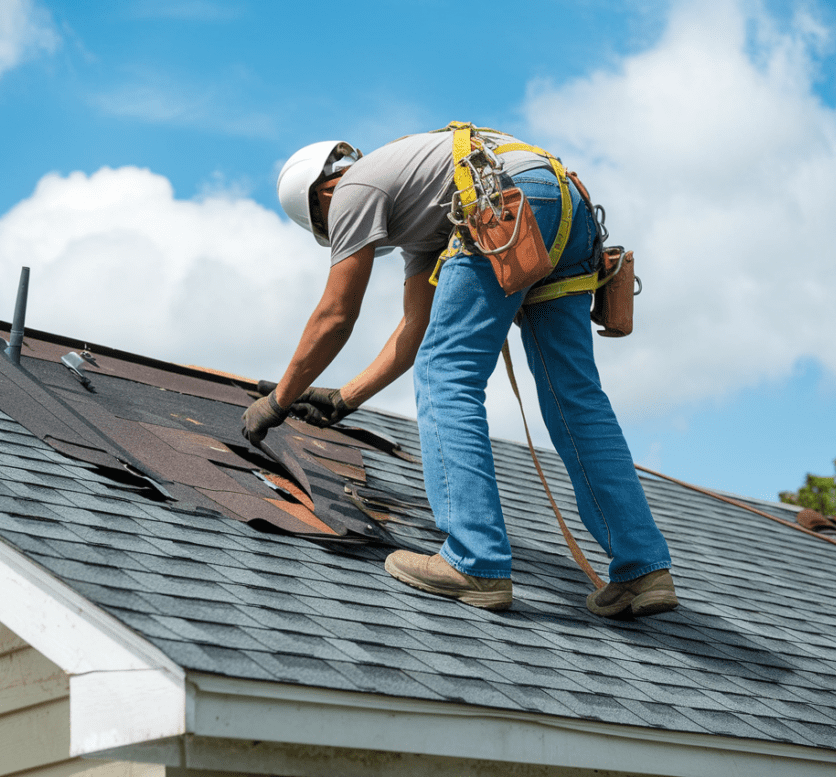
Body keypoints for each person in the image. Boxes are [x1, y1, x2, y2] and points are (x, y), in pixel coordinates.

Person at [242, 126, 677, 618]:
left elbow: (336, 314)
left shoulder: (353, 189)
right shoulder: (422, 215)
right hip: (562, 206)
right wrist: (346, 397)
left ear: (322, 194)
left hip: (507, 201)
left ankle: (474, 562)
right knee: (574, 396)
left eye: (326, 225)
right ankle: (643, 570)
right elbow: (415, 326)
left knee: (447, 375)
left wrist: (278, 400)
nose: (340, 232)